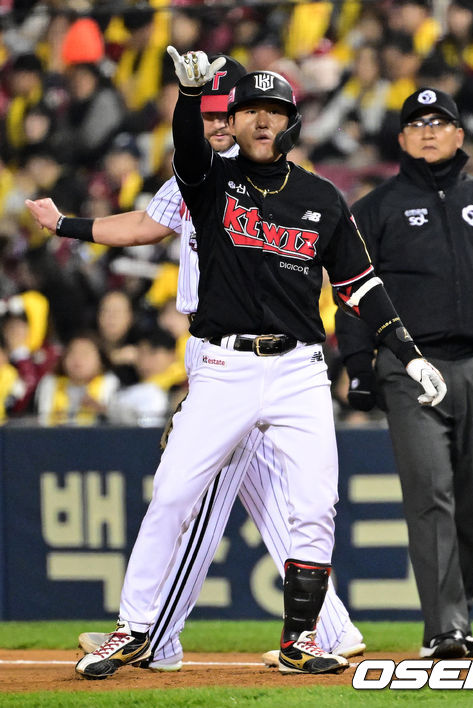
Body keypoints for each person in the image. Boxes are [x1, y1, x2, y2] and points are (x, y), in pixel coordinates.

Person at [26, 55, 367, 675]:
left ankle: (161, 634)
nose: (223, 117)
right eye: (216, 108)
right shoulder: (198, 176)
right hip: (213, 350)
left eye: (227, 107)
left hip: (268, 355)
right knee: (237, 499)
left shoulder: (272, 183)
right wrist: (69, 226)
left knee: (226, 500)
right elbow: (139, 226)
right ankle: (321, 628)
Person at [336, 87, 473, 660]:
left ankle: (458, 620)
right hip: (409, 365)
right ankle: (444, 627)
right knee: (432, 493)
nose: (427, 131)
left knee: (469, 497)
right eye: (416, 123)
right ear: (400, 139)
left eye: (439, 122)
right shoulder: (375, 209)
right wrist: (360, 365)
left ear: (459, 135)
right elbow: (351, 293)